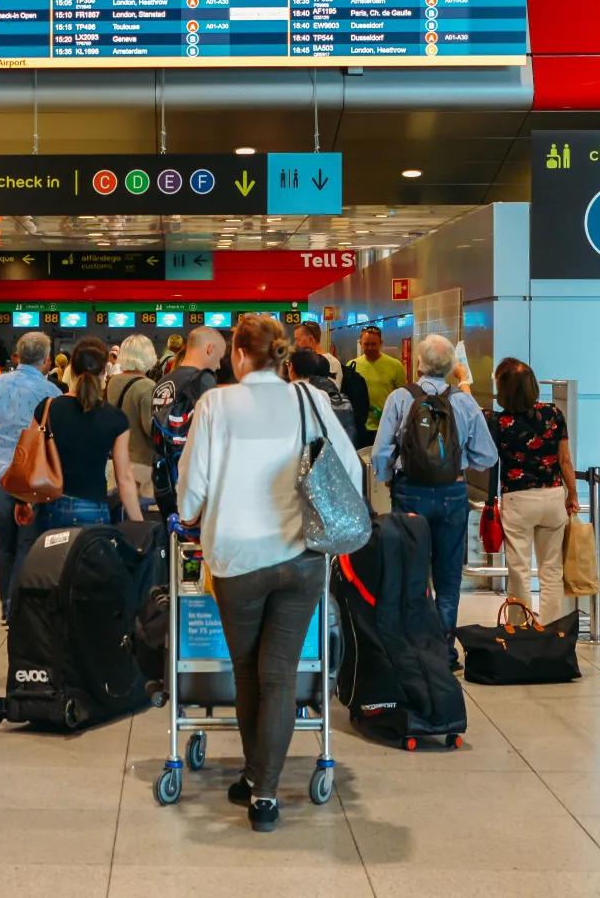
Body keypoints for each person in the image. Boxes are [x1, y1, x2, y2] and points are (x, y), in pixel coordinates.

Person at [178, 315, 359, 833]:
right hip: (301, 557)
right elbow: (349, 468)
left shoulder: (216, 404)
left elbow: (192, 488)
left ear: (238, 354)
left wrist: (191, 513)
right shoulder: (309, 399)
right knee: (279, 673)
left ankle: (255, 777)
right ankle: (264, 793)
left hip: (237, 561)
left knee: (247, 671)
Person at [372, 334, 498, 662]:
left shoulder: (400, 398)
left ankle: (412, 649)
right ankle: (443, 653)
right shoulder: (464, 401)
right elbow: (487, 456)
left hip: (409, 491)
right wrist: (457, 462)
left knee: (410, 571)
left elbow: (381, 453)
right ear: (452, 368)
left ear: (418, 364)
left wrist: (389, 480)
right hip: (452, 494)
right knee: (448, 575)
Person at [0, 331, 61, 623]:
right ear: (46, 359)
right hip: (32, 472)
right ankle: (18, 604)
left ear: (17, 356)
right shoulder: (51, 392)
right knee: (26, 541)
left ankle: (5, 603)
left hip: (1, 472)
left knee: (4, 542)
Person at [488, 358, 579, 626]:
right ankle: (552, 632)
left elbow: (470, 407)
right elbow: (565, 460)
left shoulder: (499, 421)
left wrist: (462, 380)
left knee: (519, 571)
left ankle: (520, 629)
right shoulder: (553, 414)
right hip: (552, 497)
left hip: (518, 500)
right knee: (551, 571)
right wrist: (572, 494)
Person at [30, 338, 142, 538]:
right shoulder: (115, 418)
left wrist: (23, 502)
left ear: (72, 371)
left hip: (50, 506)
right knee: (89, 567)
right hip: (93, 509)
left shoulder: (47, 408)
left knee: (52, 567)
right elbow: (124, 479)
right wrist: (139, 524)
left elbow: (30, 457)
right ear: (104, 372)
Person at [151, 326, 226, 512]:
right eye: (220, 357)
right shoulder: (202, 380)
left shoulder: (162, 382)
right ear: (210, 349)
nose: (219, 365)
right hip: (192, 483)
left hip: (164, 479)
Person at [106, 334, 157, 498]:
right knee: (142, 513)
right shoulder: (147, 385)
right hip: (142, 460)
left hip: (119, 457)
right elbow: (149, 428)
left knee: (123, 506)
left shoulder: (112, 381)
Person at [350, 327, 406, 437]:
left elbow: (403, 397)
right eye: (366, 344)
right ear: (360, 344)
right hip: (361, 426)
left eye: (373, 344)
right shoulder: (352, 366)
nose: (370, 348)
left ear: (381, 343)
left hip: (387, 426)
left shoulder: (395, 366)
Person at [293, 322, 342, 391]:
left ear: (310, 339)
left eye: (298, 340)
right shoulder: (335, 361)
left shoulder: (331, 362)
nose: (295, 344)